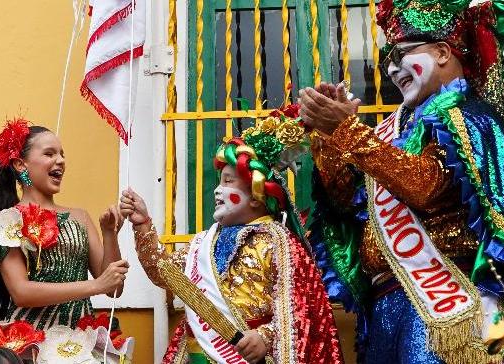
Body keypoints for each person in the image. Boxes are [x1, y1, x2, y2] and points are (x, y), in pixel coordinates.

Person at [300, 0, 504, 362]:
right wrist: (330, 138)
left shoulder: (467, 118)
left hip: (442, 304)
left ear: (443, 52)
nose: (392, 69)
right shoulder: (392, 131)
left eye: (402, 54)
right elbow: (346, 203)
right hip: (385, 307)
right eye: (389, 60)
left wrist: (347, 132)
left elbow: (425, 186)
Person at [120, 108, 343, 364]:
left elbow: (300, 309)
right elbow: (164, 273)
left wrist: (266, 336)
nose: (217, 190)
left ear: (257, 196)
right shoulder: (203, 243)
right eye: (219, 181)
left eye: (228, 182)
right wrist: (143, 225)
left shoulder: (280, 242)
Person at [0, 118, 128, 332]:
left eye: (62, 154)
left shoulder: (80, 217)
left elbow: (114, 289)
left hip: (80, 339)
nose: (61, 160)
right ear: (20, 164)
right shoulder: (6, 221)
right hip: (31, 340)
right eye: (49, 154)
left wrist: (109, 234)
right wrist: (95, 286)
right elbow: (21, 293)